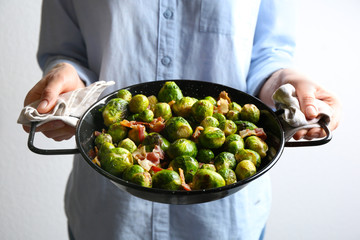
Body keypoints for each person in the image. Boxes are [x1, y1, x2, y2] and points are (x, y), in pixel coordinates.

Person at [22, 1, 341, 239]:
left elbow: (268, 53)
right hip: (108, 214)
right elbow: (67, 52)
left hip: (225, 221)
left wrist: (287, 82)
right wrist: (69, 87)